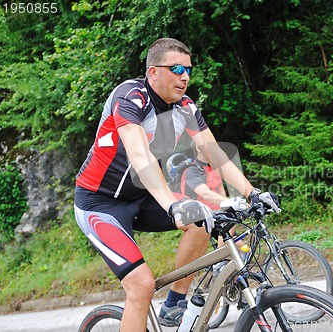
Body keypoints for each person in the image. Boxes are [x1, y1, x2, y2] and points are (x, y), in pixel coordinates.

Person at [73, 37, 279, 332]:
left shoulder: (185, 107)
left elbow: (214, 152)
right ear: (153, 72)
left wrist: (252, 193)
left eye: (189, 70)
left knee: (205, 218)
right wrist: (173, 203)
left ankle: (176, 300)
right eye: (177, 68)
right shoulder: (131, 97)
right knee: (141, 286)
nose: (185, 77)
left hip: (143, 197)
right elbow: (139, 155)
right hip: (100, 203)